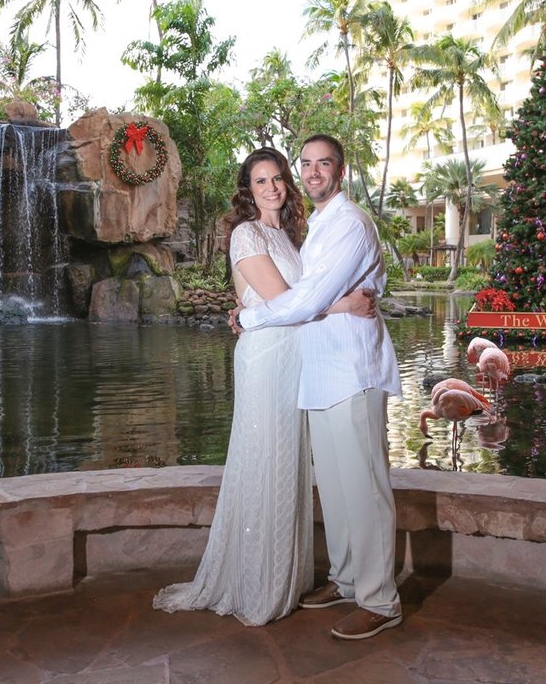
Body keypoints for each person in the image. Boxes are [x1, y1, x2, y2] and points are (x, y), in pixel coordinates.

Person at [153, 148, 373, 627]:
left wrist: (336, 303)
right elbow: (286, 301)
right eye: (260, 181)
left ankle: (285, 577)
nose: (271, 188)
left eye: (277, 178)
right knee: (263, 458)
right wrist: (347, 306)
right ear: (247, 191)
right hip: (268, 358)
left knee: (289, 463)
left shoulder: (290, 236)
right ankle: (256, 582)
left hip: (298, 358)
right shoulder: (246, 234)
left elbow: (305, 296)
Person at [236, 134, 403, 641]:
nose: (311, 172)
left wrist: (250, 315)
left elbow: (308, 298)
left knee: (365, 487)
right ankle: (347, 578)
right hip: (319, 373)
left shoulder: (350, 223)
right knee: (335, 488)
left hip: (352, 370)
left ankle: (380, 599)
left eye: (322, 164)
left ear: (340, 169)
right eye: (304, 164)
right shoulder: (317, 227)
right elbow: (309, 297)